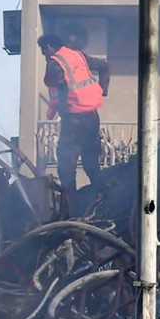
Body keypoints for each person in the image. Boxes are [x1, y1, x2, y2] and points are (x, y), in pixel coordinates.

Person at [38, 33, 110, 197]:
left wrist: (55, 108)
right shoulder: (79, 55)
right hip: (92, 116)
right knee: (90, 156)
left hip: (74, 119)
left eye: (43, 50)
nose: (43, 54)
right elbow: (105, 66)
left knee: (66, 162)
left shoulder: (54, 63)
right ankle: (101, 190)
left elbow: (50, 83)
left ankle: (71, 201)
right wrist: (103, 90)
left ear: (50, 47)